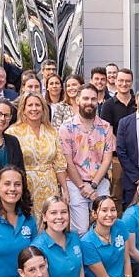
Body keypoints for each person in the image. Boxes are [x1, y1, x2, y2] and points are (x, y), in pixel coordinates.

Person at [60, 84, 115, 235]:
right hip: (75, 184)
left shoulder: (106, 127)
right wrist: (83, 187)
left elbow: (107, 159)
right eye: (85, 98)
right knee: (81, 229)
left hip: (99, 183)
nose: (89, 102)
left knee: (104, 225)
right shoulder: (67, 128)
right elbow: (67, 161)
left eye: (93, 99)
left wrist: (94, 185)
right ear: (77, 100)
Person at [6, 92, 69, 218]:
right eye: (30, 105)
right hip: (26, 186)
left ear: (43, 108)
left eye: (37, 105)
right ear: (23, 110)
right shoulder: (12, 132)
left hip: (50, 186)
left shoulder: (52, 132)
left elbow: (59, 165)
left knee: (50, 220)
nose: (34, 109)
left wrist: (65, 190)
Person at [101, 68, 136, 211]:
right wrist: (121, 146)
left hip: (135, 157)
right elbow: (106, 129)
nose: (124, 84)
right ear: (115, 81)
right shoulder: (108, 105)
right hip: (116, 158)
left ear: (132, 82)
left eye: (127, 81)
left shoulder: (137, 103)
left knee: (134, 194)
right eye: (121, 80)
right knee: (115, 194)